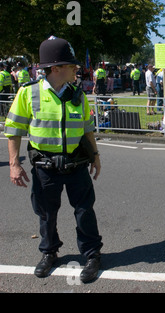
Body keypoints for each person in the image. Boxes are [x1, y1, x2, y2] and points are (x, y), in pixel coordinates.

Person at [4, 36, 103, 284]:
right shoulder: (29, 93)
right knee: (46, 213)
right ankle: (49, 252)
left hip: (76, 164)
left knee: (84, 211)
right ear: (56, 68)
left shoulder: (77, 95)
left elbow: (87, 128)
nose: (75, 69)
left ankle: (92, 255)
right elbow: (14, 130)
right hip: (45, 167)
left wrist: (95, 156)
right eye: (71, 65)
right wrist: (14, 164)